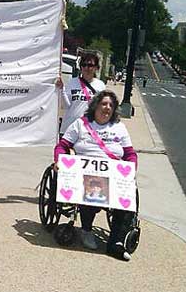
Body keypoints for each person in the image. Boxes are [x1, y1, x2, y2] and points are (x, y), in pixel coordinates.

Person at [54, 90, 138, 261]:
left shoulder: (119, 128)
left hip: (113, 173)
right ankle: (86, 230)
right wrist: (58, 161)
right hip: (86, 172)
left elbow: (130, 154)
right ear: (96, 106)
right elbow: (62, 146)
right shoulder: (80, 124)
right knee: (92, 185)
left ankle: (116, 242)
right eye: (104, 104)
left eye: (111, 105)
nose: (107, 108)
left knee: (127, 191)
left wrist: (131, 170)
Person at [56, 53, 105, 136]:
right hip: (69, 128)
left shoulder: (100, 86)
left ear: (96, 68)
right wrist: (61, 90)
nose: (86, 68)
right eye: (84, 65)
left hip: (88, 130)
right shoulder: (72, 83)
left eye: (90, 65)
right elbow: (65, 106)